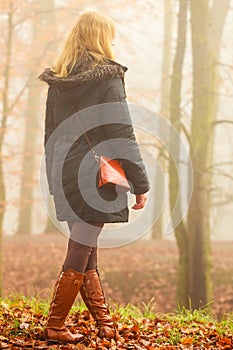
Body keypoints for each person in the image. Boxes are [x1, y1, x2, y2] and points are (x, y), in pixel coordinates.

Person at [39, 10, 149, 343]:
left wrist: (55, 179)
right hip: (96, 175)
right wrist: (140, 184)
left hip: (65, 172)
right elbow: (122, 133)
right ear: (101, 38)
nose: (113, 42)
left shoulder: (59, 79)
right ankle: (56, 325)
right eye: (110, 36)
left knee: (87, 250)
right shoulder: (108, 77)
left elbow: (50, 134)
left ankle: (105, 324)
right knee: (81, 247)